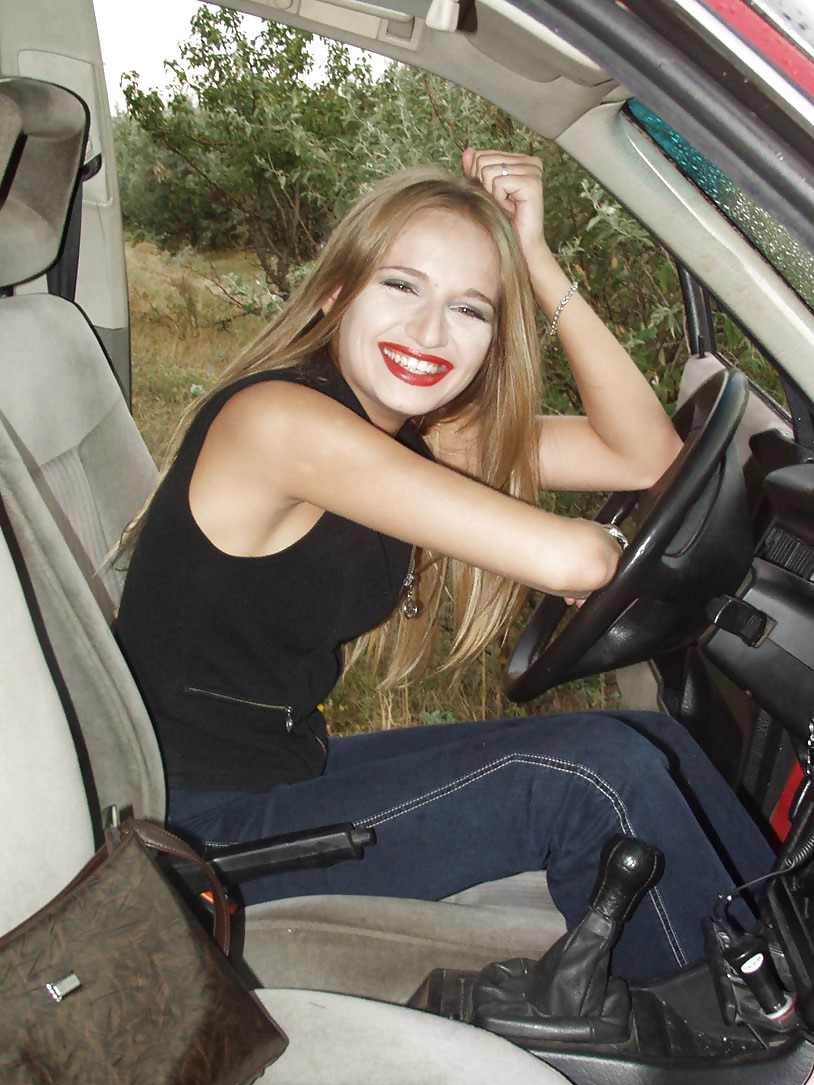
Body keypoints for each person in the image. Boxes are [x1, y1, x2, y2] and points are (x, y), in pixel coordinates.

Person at [116, 148, 773, 980]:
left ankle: (781, 956)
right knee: (592, 779)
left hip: (280, 768)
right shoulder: (281, 423)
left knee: (654, 744)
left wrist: (535, 261)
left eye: (471, 309)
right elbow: (576, 558)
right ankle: (741, 1036)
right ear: (333, 292)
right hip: (200, 835)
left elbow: (644, 454)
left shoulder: (406, 427)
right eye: (401, 286)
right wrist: (596, 558)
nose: (429, 334)